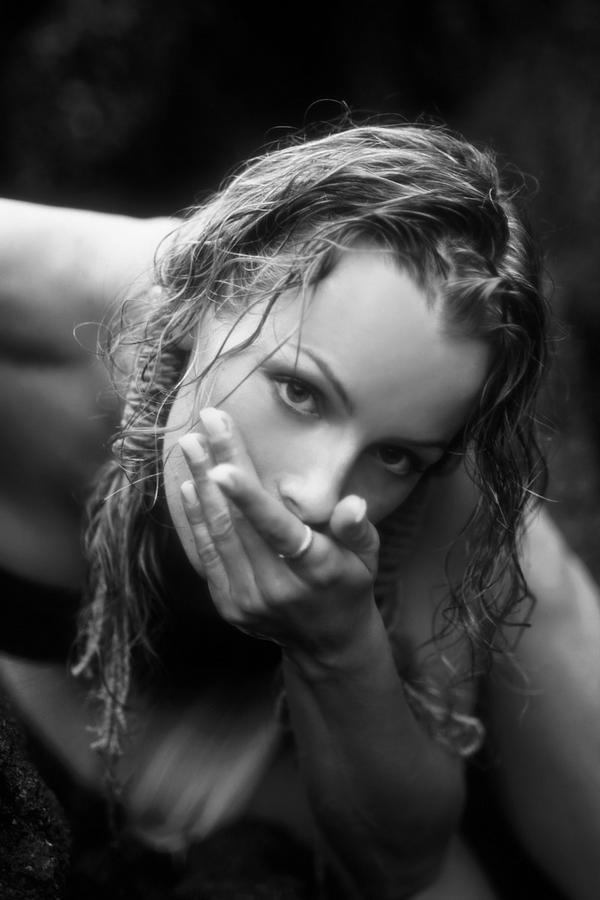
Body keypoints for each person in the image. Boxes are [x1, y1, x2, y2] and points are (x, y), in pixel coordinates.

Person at [1, 121, 599, 900]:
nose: (320, 496)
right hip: (105, 695)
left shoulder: (441, 480)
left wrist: (340, 649)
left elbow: (404, 862)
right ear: (213, 292)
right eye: (299, 392)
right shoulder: (32, 298)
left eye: (395, 455)